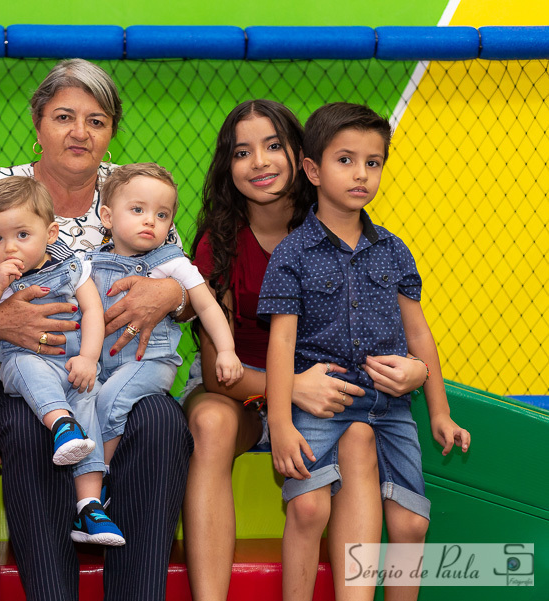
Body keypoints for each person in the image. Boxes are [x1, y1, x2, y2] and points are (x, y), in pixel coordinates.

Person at [0, 59, 192, 601]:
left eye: (96, 120)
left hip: (118, 369)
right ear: (37, 124)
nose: (80, 132)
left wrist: (169, 294)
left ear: (111, 132)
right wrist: (0, 321)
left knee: (162, 422)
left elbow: (186, 287)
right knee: (34, 428)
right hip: (19, 375)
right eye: (64, 117)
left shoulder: (133, 187)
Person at [181, 100, 431, 601]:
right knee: (211, 420)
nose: (260, 162)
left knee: (358, 437)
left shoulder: (333, 226)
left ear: (303, 159)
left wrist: (418, 369)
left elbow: (393, 326)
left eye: (274, 146)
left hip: (325, 394)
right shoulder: (220, 241)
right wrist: (292, 386)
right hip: (242, 387)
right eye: (241, 152)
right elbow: (216, 373)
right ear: (226, 167)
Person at [259, 102, 471, 601]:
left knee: (412, 526)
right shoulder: (294, 253)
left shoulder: (393, 249)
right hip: (324, 403)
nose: (361, 174)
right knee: (308, 508)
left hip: (391, 405)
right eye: (345, 160)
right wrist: (281, 423)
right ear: (312, 170)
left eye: (373, 163)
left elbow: (418, 336)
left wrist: (439, 410)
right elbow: (281, 343)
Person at [0, 176, 124, 545]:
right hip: (25, 359)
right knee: (25, 367)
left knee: (88, 409)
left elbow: (93, 311)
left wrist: (89, 358)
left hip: (74, 364)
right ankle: (60, 423)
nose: (7, 248)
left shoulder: (72, 264)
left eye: (21, 235)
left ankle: (89, 507)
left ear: (50, 233)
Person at [85, 163, 242, 472]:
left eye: (161, 215)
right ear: (107, 217)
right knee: (80, 404)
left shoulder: (172, 263)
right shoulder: (89, 262)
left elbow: (208, 305)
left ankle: (97, 479)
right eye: (137, 209)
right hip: (99, 363)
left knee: (110, 403)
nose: (150, 221)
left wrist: (226, 350)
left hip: (149, 363)